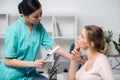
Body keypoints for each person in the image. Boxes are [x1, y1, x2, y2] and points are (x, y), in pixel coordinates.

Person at [0, 0, 71, 80]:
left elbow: (54, 47)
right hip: (11, 76)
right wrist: (33, 64)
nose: (40, 18)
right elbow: (8, 61)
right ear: (25, 15)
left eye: (41, 14)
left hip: (29, 74)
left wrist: (73, 58)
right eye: (35, 16)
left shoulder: (39, 27)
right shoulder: (13, 30)